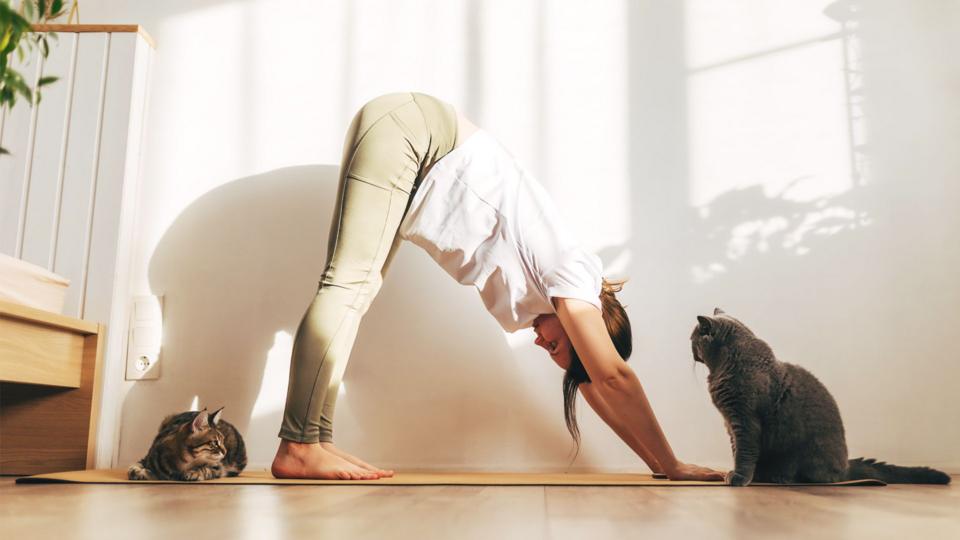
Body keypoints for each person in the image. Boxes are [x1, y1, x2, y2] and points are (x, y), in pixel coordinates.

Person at [270, 92, 724, 482]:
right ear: (591, 327)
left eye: (549, 352)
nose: (542, 344)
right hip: (416, 134)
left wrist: (656, 466)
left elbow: (593, 386)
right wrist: (674, 462)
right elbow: (612, 377)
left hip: (410, 132)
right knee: (348, 286)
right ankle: (299, 445)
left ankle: (313, 439)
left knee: (354, 289)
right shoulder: (571, 277)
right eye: (557, 346)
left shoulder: (557, 286)